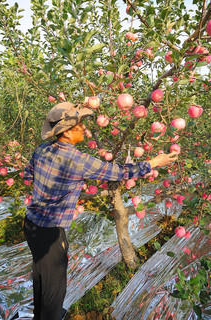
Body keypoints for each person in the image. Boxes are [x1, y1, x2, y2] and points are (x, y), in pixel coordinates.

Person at [23, 102, 178, 320]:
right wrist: (152, 163)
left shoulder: (42, 150)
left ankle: (44, 314)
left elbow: (27, 175)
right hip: (50, 232)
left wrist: (56, 184)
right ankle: (51, 316)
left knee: (41, 276)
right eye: (79, 125)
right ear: (67, 132)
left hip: (30, 224)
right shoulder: (78, 160)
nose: (84, 129)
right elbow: (118, 172)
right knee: (54, 289)